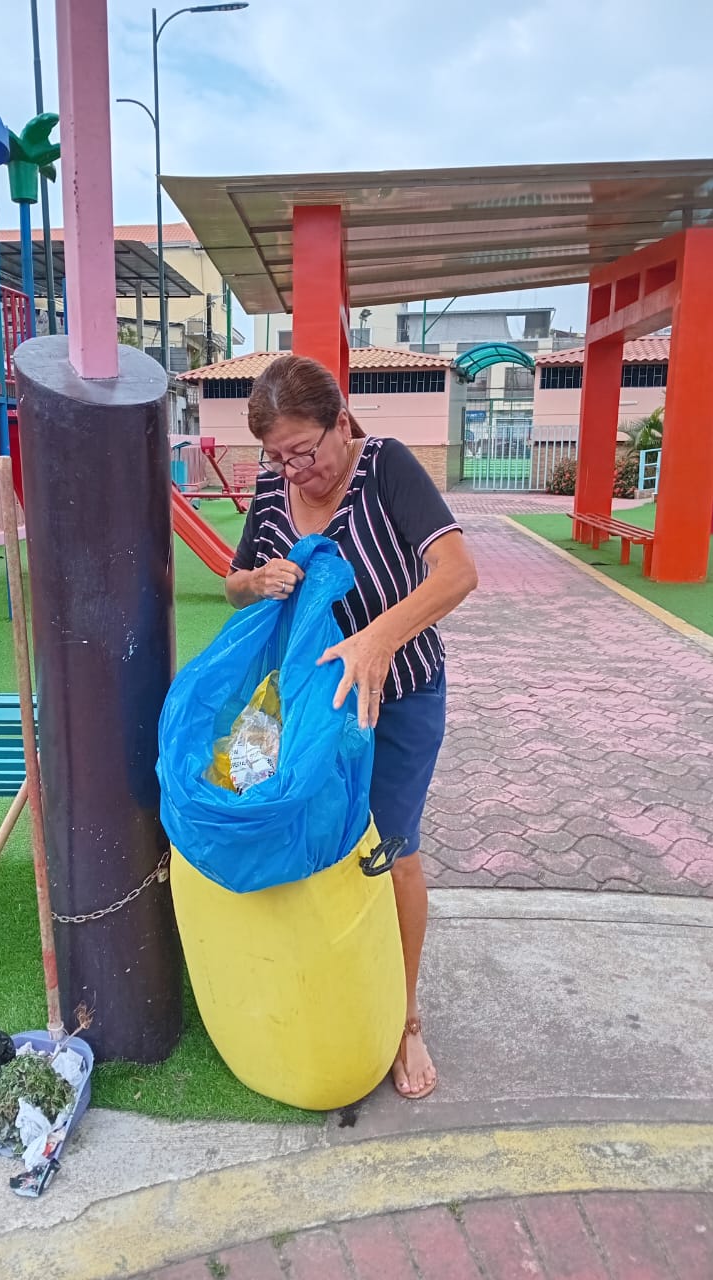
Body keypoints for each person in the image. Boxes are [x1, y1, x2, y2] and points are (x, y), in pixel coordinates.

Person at [224, 355, 478, 1100]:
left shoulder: (384, 466)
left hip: (398, 699)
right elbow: (234, 582)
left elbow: (457, 573)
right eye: (278, 457)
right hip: (313, 710)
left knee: (390, 851)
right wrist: (257, 581)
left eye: (305, 451)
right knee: (321, 845)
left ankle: (404, 1018)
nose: (295, 471)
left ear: (341, 423)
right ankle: (338, 981)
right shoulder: (274, 487)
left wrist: (378, 640)